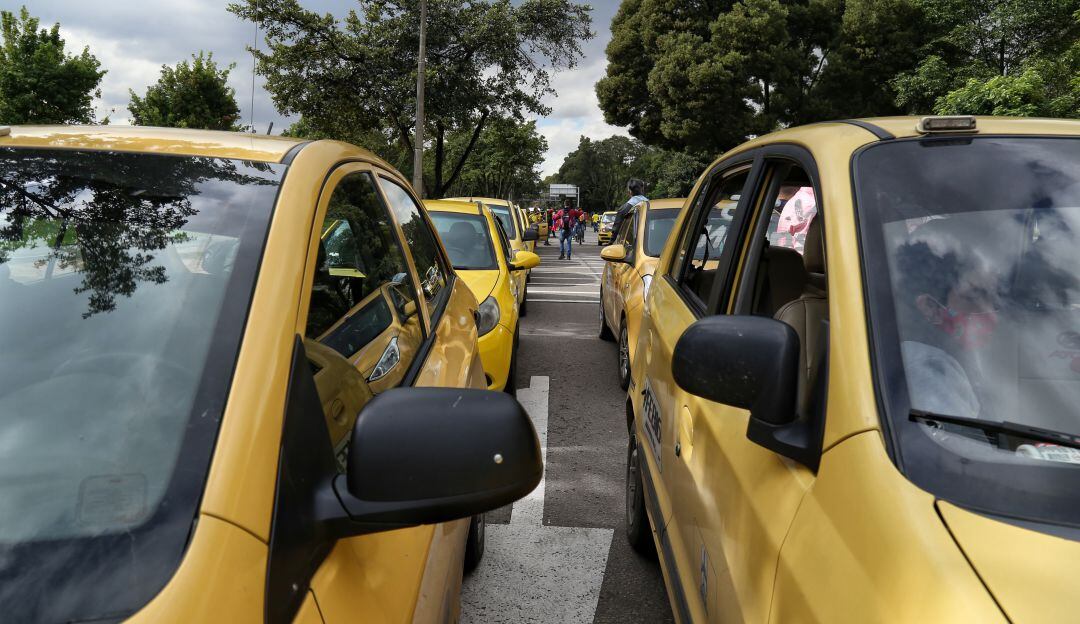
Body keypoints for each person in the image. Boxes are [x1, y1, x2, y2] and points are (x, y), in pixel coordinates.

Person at [894, 235, 1000, 419]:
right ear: (930, 307)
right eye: (972, 297)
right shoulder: (927, 370)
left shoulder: (957, 355)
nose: (992, 314)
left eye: (992, 297)